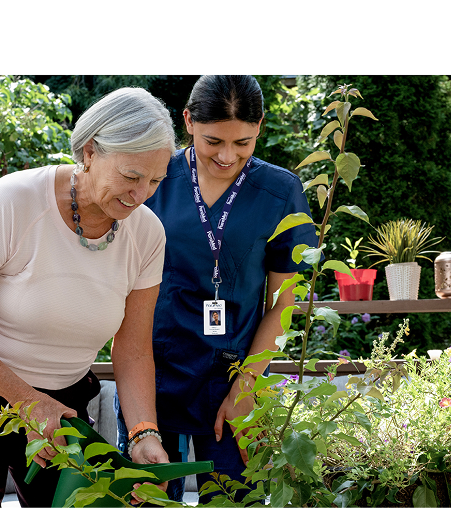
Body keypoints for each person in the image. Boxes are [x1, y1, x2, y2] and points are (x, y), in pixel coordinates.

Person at [0, 87, 174, 507]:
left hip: (61, 403)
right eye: (131, 176)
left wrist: (144, 432)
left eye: (155, 181)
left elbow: (133, 348)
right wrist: (27, 401)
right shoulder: (15, 200)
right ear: (90, 151)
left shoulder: (147, 234)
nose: (141, 194)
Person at [114, 75, 318, 502]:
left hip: (233, 382)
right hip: (152, 378)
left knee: (235, 498)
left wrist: (247, 387)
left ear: (260, 126)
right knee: (147, 498)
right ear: (188, 121)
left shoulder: (280, 192)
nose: (227, 156)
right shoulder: (154, 180)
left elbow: (285, 303)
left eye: (243, 143)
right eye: (213, 142)